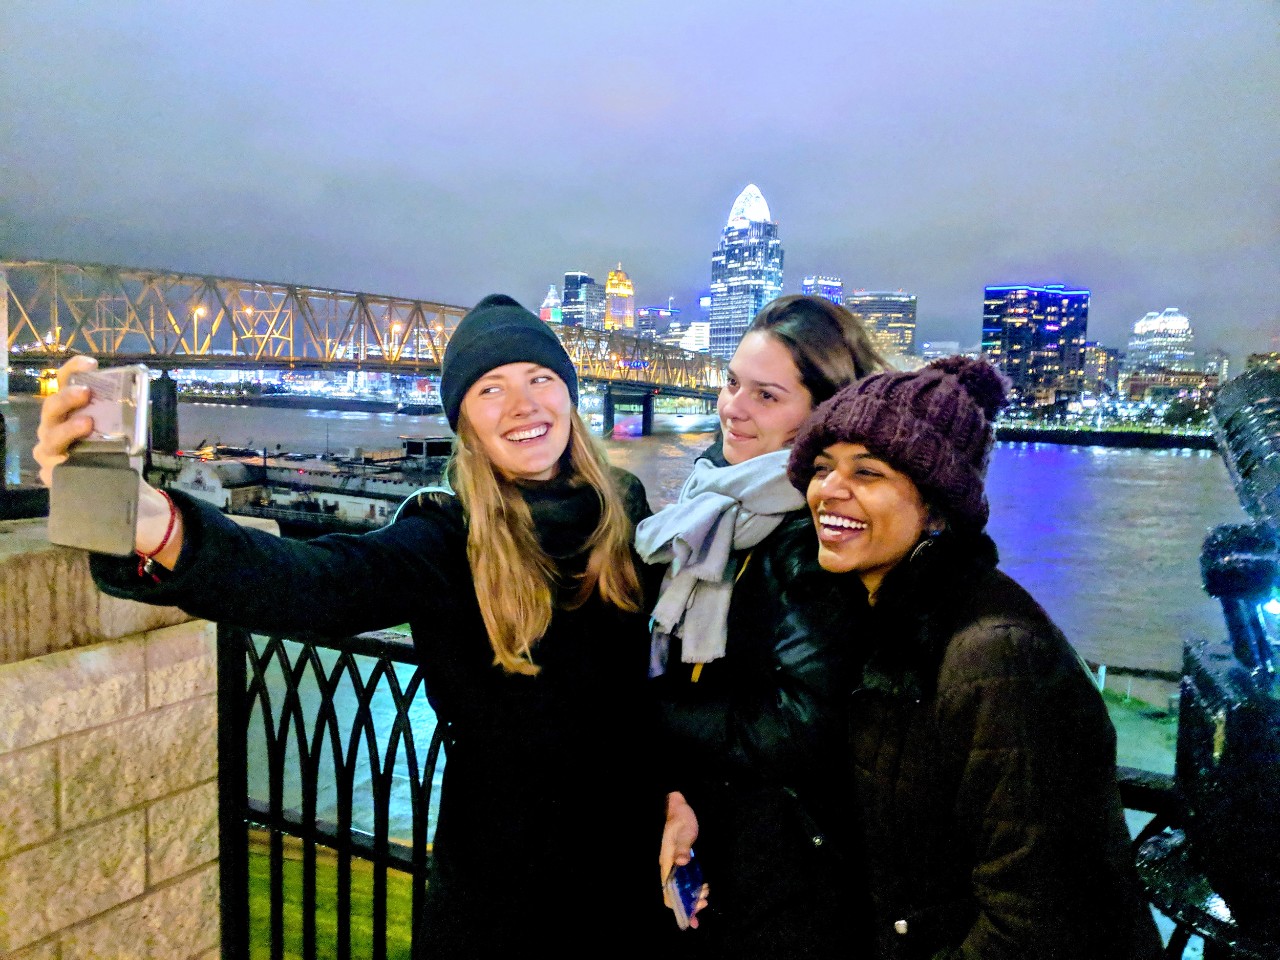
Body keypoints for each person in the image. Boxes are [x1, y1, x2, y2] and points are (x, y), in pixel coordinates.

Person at [34, 294, 678, 957]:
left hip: (631, 882)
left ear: (570, 396)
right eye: (491, 389)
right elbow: (315, 582)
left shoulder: (631, 517)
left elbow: (677, 683)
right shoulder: (446, 541)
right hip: (503, 896)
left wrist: (680, 793)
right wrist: (154, 524)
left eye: (541, 378)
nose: (523, 403)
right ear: (465, 424)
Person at [785, 356, 1164, 960]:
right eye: (823, 467)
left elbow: (1035, 924)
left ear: (937, 507)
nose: (830, 489)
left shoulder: (994, 656)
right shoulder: (882, 618)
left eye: (869, 472)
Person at [636, 294, 888, 957]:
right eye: (731, 383)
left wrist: (646, 717)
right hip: (714, 844)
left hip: (782, 882)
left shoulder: (818, 539)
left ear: (821, 413)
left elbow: (798, 725)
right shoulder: (718, 505)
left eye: (766, 396)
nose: (733, 408)